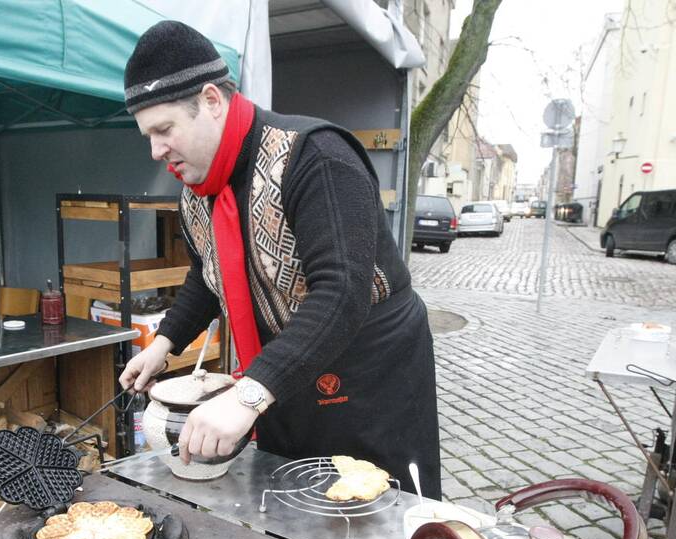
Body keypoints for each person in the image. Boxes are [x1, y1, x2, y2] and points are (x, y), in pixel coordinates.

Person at [119, 21, 441, 498]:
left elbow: (342, 293)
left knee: (374, 508)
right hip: (284, 368)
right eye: (147, 135)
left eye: (164, 129)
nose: (155, 150)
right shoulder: (198, 193)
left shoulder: (317, 158)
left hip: (369, 371)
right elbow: (208, 278)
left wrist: (248, 395)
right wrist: (162, 344)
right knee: (290, 496)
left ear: (211, 100)